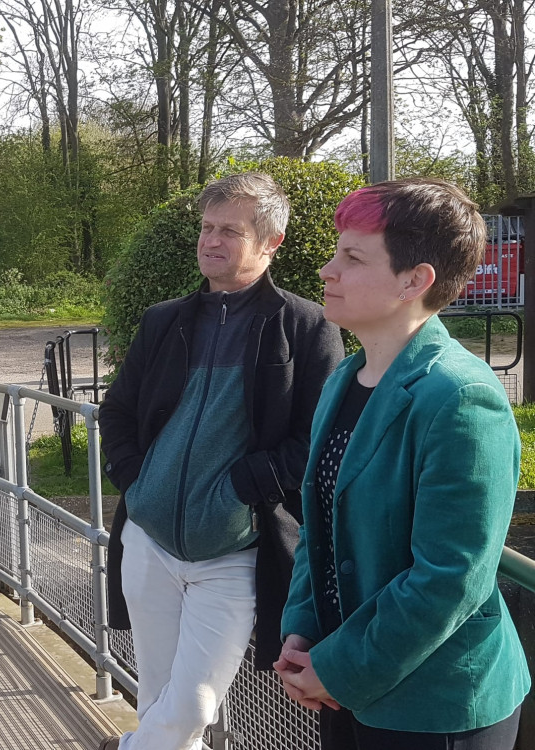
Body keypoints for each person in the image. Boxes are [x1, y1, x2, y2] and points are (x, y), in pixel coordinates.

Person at [275, 178, 530, 750]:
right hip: (344, 678)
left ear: (414, 280)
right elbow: (321, 524)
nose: (326, 270)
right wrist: (302, 630)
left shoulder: (462, 397)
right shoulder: (347, 377)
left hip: (435, 706)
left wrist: (338, 667)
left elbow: (449, 576)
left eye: (352, 256)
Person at [97, 172, 345, 750]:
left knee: (195, 701)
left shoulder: (305, 327)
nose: (211, 240)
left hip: (235, 550)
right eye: (207, 228)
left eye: (230, 231)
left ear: (270, 242)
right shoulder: (165, 321)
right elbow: (118, 411)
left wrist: (241, 487)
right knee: (159, 692)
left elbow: (314, 438)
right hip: (149, 538)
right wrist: (138, 482)